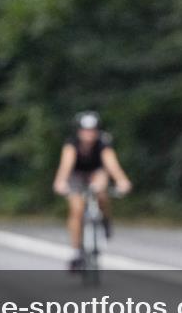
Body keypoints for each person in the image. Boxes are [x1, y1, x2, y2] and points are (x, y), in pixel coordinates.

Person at [52, 111, 132, 270]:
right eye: (85, 131)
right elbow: (66, 165)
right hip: (76, 175)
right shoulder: (72, 144)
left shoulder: (103, 142)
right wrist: (60, 181)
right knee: (76, 209)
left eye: (92, 131)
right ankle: (76, 251)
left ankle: (105, 220)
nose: (89, 135)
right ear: (79, 131)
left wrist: (122, 180)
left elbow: (111, 164)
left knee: (101, 191)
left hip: (96, 173)